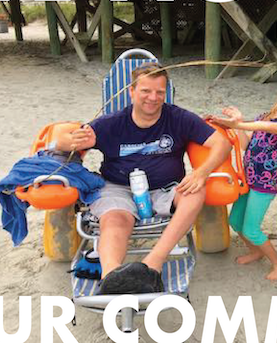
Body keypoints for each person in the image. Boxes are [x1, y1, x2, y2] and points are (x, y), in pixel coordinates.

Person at [56, 62, 231, 294]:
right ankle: (112, 277)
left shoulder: (178, 118)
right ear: (132, 91)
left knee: (196, 191)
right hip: (118, 188)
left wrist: (201, 171)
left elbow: (222, 143)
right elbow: (60, 143)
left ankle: (152, 264)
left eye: (159, 92)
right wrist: (73, 141)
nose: (153, 97)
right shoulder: (111, 123)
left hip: (164, 190)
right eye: (146, 91)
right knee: (115, 220)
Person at [211, 79, 277, 281]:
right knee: (235, 221)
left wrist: (238, 122)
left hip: (265, 185)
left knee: (251, 228)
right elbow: (247, 146)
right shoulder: (263, 117)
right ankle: (256, 251)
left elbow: (268, 128)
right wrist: (239, 127)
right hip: (248, 178)